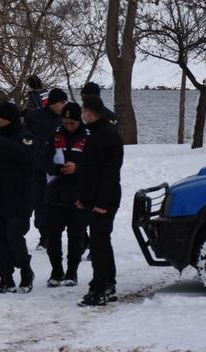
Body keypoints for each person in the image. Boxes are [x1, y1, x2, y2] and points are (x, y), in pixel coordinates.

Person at [0, 102, 37, 295]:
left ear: (7, 118)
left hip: (19, 198)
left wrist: (0, 143)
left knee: (14, 237)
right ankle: (5, 277)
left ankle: (26, 272)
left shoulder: (25, 137)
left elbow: (26, 157)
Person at [76, 96, 124, 307]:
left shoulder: (107, 136)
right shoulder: (96, 133)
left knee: (99, 243)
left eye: (83, 111)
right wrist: (84, 198)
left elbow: (109, 172)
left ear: (89, 113)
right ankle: (107, 282)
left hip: (105, 199)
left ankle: (100, 286)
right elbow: (90, 171)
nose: (82, 116)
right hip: (94, 198)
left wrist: (102, 202)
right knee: (100, 241)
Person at [42, 102, 88, 287]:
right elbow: (43, 157)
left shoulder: (88, 137)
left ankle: (72, 272)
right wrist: (54, 168)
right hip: (55, 192)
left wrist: (78, 168)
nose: (68, 126)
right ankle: (56, 271)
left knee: (76, 237)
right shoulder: (55, 135)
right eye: (66, 122)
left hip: (79, 193)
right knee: (53, 236)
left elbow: (97, 164)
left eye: (72, 123)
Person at [25, 87, 68, 250]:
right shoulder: (34, 116)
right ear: (53, 103)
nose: (64, 105)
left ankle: (74, 236)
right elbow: (27, 138)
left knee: (61, 203)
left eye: (65, 102)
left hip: (59, 167)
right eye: (61, 102)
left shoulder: (66, 118)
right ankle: (44, 236)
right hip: (37, 167)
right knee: (39, 202)